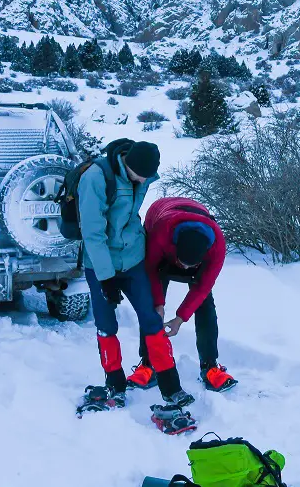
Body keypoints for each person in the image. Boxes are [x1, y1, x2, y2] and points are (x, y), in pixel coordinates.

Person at [77, 139, 193, 414]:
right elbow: (92, 233)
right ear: (128, 164)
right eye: (141, 175)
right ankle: (115, 383)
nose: (145, 181)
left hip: (133, 260)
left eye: (148, 177)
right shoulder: (96, 178)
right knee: (106, 324)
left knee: (151, 319)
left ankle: (170, 385)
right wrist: (106, 279)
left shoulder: (143, 176)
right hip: (101, 263)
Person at [125, 196, 237, 393]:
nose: (184, 268)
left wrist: (180, 318)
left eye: (189, 266)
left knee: (205, 303)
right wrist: (158, 304)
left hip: (191, 237)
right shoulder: (161, 233)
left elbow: (202, 287)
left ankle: (210, 367)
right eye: (182, 262)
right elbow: (150, 271)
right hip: (162, 232)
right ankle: (147, 364)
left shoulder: (217, 246)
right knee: (150, 303)